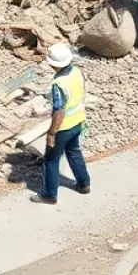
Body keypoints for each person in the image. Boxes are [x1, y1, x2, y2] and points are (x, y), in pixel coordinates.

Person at [31, 43, 91, 206]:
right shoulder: (77, 72)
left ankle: (49, 194)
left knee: (51, 160)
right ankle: (84, 183)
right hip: (78, 120)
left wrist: (51, 133)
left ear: (52, 63)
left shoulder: (59, 83)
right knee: (74, 152)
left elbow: (59, 111)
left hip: (63, 127)